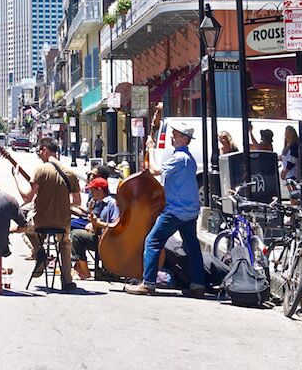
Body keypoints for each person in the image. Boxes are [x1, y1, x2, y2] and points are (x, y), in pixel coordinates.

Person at [123, 125, 206, 298]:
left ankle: (148, 283)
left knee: (152, 241)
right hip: (189, 209)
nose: (171, 137)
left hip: (176, 210)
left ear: (185, 139)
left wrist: (151, 150)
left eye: (175, 135)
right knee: (192, 247)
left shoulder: (179, 158)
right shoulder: (187, 158)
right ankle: (198, 284)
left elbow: (154, 170)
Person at [12, 136, 81, 292]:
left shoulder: (41, 170)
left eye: (39, 151)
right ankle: (67, 280)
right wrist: (62, 202)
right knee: (64, 243)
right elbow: (77, 201)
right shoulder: (70, 172)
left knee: (25, 229)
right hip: (62, 223)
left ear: (44, 150)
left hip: (40, 222)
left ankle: (40, 254)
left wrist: (16, 178)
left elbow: (26, 197)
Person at [71, 176, 119, 281]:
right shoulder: (97, 203)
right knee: (73, 230)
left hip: (108, 239)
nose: (91, 193)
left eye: (93, 190)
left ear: (100, 190)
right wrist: (92, 223)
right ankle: (79, 267)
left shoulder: (112, 204)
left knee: (76, 235)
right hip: (98, 235)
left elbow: (115, 225)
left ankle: (84, 270)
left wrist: (98, 223)